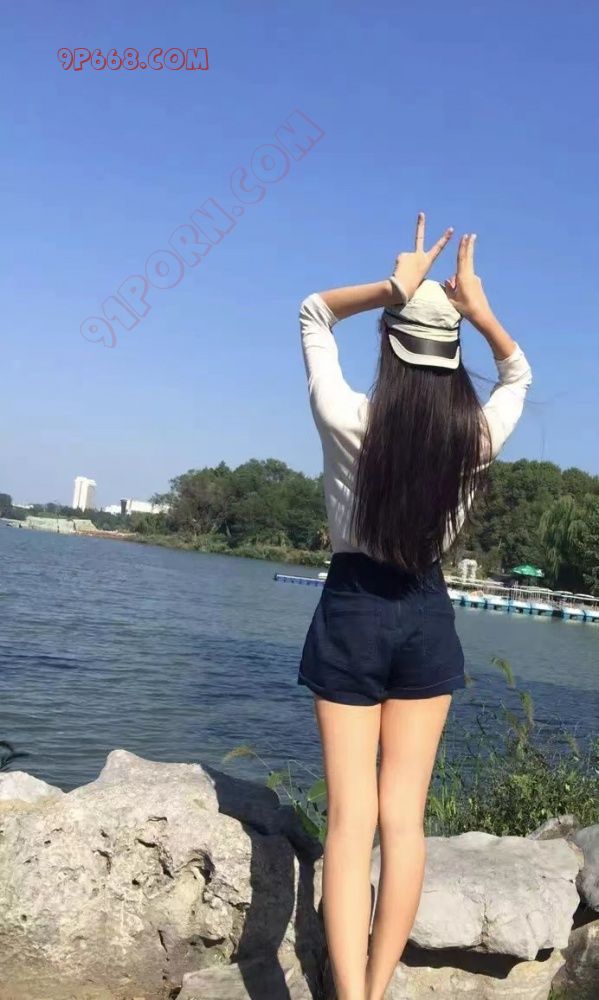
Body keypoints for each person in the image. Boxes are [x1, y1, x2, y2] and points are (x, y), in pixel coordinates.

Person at [296, 213, 533, 1000]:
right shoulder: (474, 440)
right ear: (451, 357)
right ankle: (377, 988)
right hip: (426, 614)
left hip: (352, 608)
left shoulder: (346, 418)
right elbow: (517, 377)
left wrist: (390, 287)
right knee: (403, 821)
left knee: (349, 821)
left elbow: (313, 312)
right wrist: (480, 310)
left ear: (390, 344)